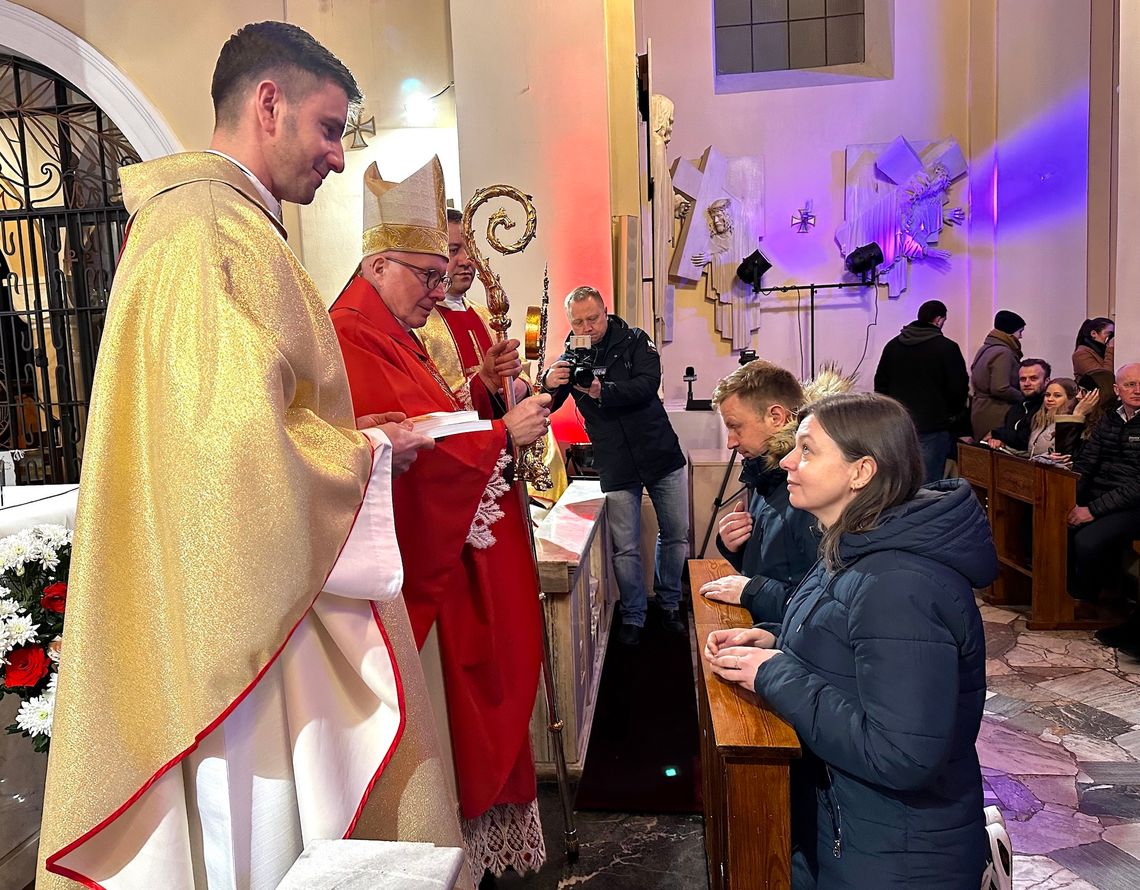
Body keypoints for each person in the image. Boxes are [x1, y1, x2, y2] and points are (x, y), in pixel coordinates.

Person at [38, 22, 461, 890]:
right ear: (269, 104)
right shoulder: (205, 232)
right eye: (329, 127)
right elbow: (234, 453)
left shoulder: (216, 225)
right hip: (243, 626)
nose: (338, 157)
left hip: (253, 596)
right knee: (259, 842)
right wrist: (374, 448)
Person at [330, 157, 550, 878]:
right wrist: (497, 435)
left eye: (442, 271)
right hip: (415, 586)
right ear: (380, 262)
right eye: (427, 274)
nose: (440, 288)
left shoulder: (394, 328)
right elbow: (392, 458)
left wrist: (479, 397)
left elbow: (429, 421)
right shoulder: (350, 333)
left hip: (449, 567)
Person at [705, 392, 996, 889]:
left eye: (807, 450)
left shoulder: (901, 582)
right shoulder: (854, 543)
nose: (789, 461)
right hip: (850, 829)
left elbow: (901, 755)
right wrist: (773, 638)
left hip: (897, 858)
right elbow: (851, 652)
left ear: (861, 471)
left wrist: (775, 671)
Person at [542, 286, 688, 645]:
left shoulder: (636, 340)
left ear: (606, 311)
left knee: (675, 533)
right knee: (625, 547)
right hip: (616, 461)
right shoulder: (571, 356)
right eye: (578, 321)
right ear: (570, 322)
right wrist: (546, 380)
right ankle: (634, 615)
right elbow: (549, 402)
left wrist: (601, 391)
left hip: (659, 453)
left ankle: (669, 604)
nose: (587, 327)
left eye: (593, 318)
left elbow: (647, 384)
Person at [417, 207, 568, 503]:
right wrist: (485, 382)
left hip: (509, 455)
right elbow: (435, 406)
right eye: (453, 250)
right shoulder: (422, 324)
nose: (466, 261)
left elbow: (516, 375)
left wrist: (521, 384)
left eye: (471, 250)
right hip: (466, 466)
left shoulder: (488, 315)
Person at [699, 361, 851, 623]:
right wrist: (736, 546)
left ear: (777, 417)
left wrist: (751, 591)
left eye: (736, 426)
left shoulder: (812, 488)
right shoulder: (766, 474)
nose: (730, 441)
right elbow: (781, 565)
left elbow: (830, 607)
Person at [1068, 365, 1140, 647]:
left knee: (1088, 540)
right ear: (1117, 390)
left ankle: (1091, 600)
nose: (1137, 390)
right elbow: (1088, 462)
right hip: (1102, 497)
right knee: (1054, 522)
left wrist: (1092, 510)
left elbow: (1137, 485)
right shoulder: (1111, 419)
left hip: (1133, 504)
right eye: (1131, 384)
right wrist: (1071, 499)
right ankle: (1070, 595)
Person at [873, 299, 968, 483]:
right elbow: (958, 389)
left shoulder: (892, 346)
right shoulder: (947, 348)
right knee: (927, 483)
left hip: (897, 426)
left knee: (898, 481)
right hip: (933, 426)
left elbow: (881, 385)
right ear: (939, 320)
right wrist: (952, 416)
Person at [970, 309, 1026, 439]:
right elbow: (1000, 388)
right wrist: (1024, 398)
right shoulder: (1003, 352)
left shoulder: (986, 348)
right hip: (996, 412)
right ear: (1010, 332)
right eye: (1020, 331)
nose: (1021, 336)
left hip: (980, 409)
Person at [983, 358, 1050, 451]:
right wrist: (996, 440)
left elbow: (1026, 441)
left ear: (1046, 381)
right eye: (1022, 379)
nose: (1027, 383)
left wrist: (996, 433)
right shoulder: (1016, 407)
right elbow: (1009, 433)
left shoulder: (1048, 407)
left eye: (1033, 378)